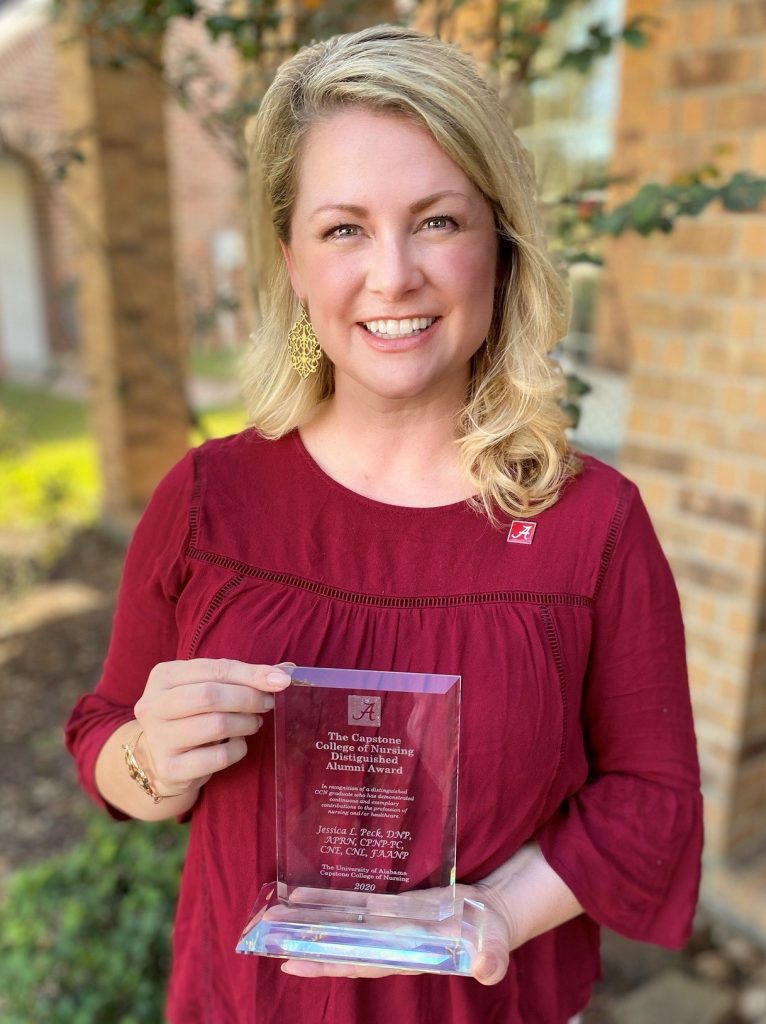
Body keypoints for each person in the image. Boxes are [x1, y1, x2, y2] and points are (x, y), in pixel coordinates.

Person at [65, 24, 703, 1024]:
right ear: (292, 261)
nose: (393, 274)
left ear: (498, 239)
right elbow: (102, 734)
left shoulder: (590, 523)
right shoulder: (207, 499)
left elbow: (649, 795)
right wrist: (150, 757)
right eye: (344, 228)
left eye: (437, 220)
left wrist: (493, 910)